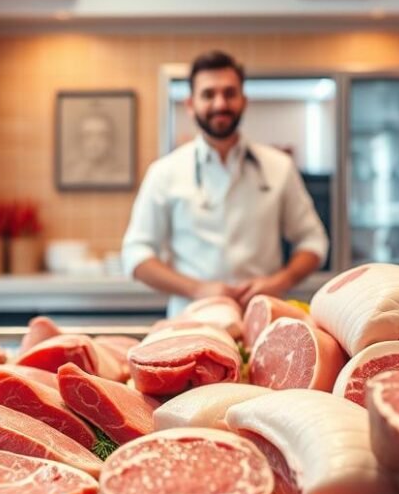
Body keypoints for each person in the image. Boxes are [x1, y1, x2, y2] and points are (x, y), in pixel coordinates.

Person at [122, 50, 329, 316]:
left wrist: (280, 281)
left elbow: (313, 241)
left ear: (243, 101)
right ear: (190, 104)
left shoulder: (279, 167)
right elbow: (136, 254)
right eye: (208, 94)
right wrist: (197, 289)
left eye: (230, 93)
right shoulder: (164, 172)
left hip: (262, 319)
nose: (220, 103)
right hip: (192, 320)